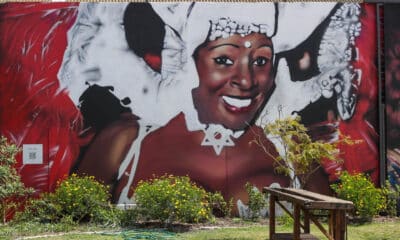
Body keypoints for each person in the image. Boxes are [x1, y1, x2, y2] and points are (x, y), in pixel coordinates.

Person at [57, 2, 360, 214]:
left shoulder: (289, 146)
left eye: (261, 61)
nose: (246, 80)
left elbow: (330, 223)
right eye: (224, 60)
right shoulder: (126, 143)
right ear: (191, 63)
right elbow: (69, 225)